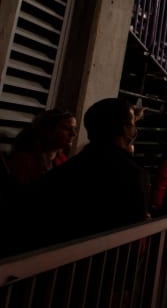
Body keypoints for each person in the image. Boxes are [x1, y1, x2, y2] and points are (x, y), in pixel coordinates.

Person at [22, 98, 149, 252]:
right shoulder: (132, 173)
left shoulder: (71, 166)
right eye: (131, 124)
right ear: (124, 129)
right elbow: (134, 234)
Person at [6, 109, 77, 185]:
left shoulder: (62, 159)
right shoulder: (24, 162)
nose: (73, 134)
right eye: (66, 128)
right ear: (48, 130)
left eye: (74, 128)